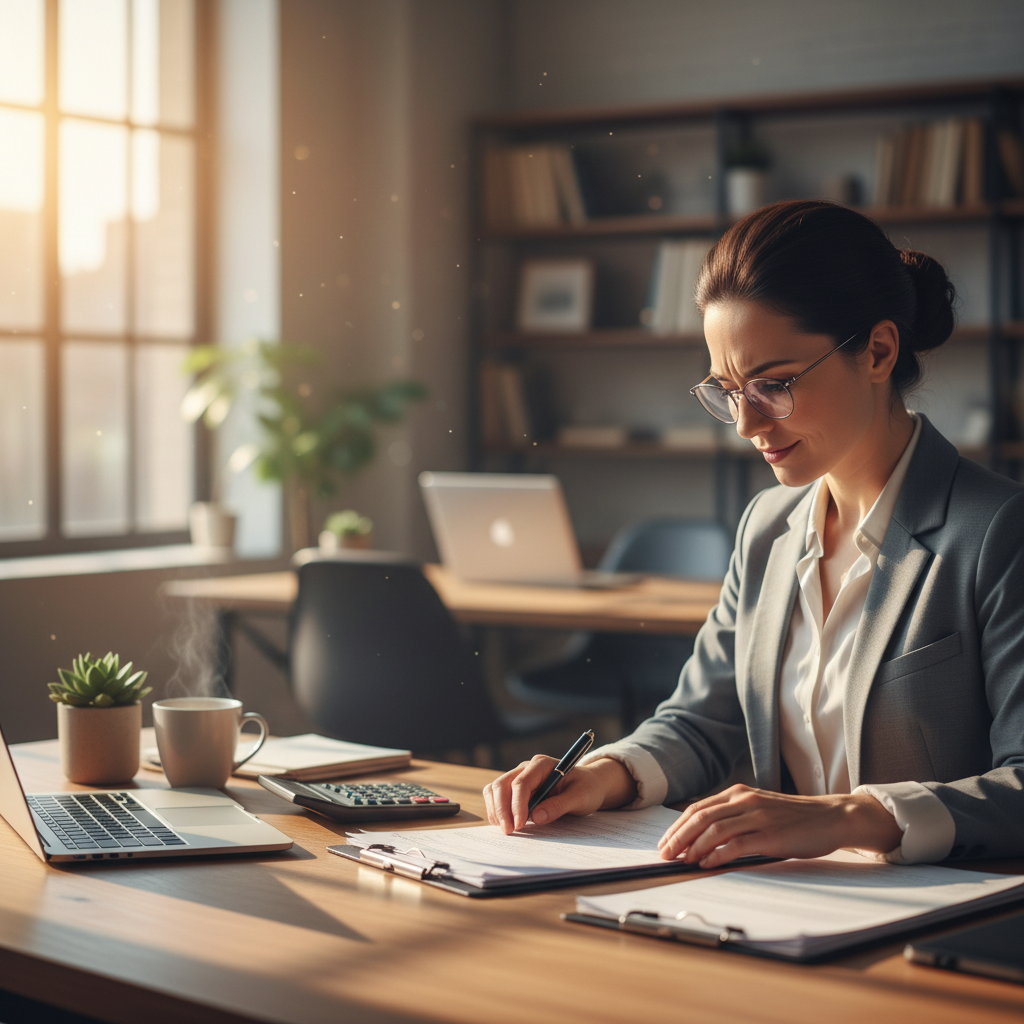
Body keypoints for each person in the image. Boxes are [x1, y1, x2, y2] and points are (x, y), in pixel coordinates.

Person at [483, 199, 1024, 869]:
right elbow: (705, 720)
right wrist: (602, 776)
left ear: (878, 351)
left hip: (950, 930)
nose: (745, 424)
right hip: (789, 907)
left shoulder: (999, 533)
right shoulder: (768, 527)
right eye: (727, 389)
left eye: (772, 384)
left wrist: (848, 817)